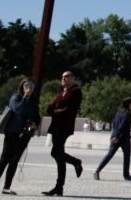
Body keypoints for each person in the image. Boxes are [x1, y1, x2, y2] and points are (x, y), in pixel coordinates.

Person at [0, 77, 41, 196]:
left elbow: (36, 116)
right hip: (12, 133)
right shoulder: (16, 97)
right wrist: (25, 96)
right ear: (22, 87)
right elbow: (18, 109)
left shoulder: (33, 102)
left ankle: (7, 187)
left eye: (32, 86)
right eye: (27, 85)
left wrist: (35, 123)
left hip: (25, 135)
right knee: (4, 160)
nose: (29, 88)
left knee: (14, 161)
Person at [43, 69, 84, 197]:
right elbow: (50, 108)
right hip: (55, 126)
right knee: (59, 157)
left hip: (64, 127)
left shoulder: (75, 92)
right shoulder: (62, 93)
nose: (63, 79)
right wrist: (56, 109)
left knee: (55, 152)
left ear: (73, 79)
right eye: (62, 77)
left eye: (66, 77)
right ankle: (59, 187)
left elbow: (70, 109)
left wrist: (56, 110)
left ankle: (76, 162)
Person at [94, 97, 131, 181]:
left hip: (115, 135)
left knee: (109, 154)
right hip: (123, 137)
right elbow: (122, 126)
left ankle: (97, 170)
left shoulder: (119, 112)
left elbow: (115, 124)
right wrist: (117, 137)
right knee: (127, 156)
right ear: (128, 104)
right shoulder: (127, 113)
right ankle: (126, 175)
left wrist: (113, 136)